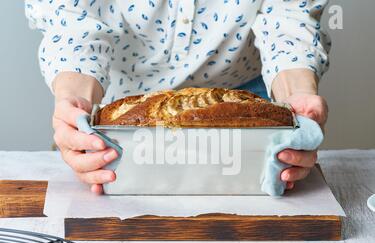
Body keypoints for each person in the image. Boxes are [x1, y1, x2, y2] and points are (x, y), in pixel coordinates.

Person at [25, 0, 330, 194]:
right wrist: (77, 107)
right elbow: (74, 23)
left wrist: (297, 99)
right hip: (118, 116)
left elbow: (290, 16)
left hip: (247, 108)